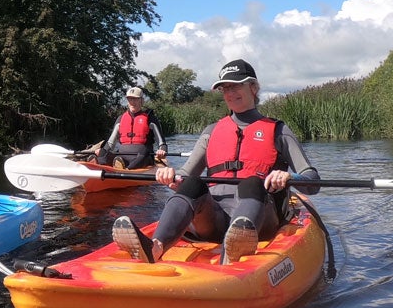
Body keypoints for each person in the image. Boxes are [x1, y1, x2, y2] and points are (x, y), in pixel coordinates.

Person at [110, 59, 321, 265]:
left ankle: (234, 250)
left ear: (254, 88)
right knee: (193, 183)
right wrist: (172, 178)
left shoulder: (278, 130)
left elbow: (313, 181)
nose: (230, 93)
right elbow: (185, 173)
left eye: (236, 85)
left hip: (261, 221)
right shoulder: (211, 131)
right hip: (214, 220)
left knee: (252, 182)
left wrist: (289, 176)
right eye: (225, 88)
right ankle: (156, 247)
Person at [94, 86, 167, 169]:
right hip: (123, 156)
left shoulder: (150, 119)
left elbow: (162, 144)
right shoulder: (120, 119)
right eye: (130, 99)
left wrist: (162, 151)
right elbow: (110, 144)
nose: (132, 102)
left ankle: (127, 170)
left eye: (135, 99)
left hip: (143, 157)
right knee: (103, 152)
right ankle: (101, 168)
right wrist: (102, 152)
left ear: (142, 101)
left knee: (145, 152)